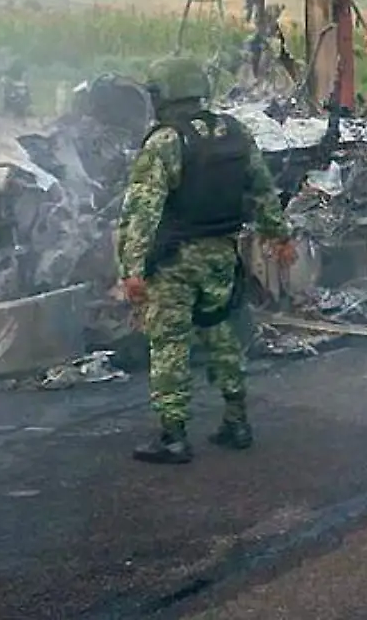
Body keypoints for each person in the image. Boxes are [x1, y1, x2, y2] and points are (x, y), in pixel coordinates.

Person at [117, 56, 290, 465]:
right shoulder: (234, 132)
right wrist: (279, 236)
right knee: (222, 336)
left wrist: (132, 269)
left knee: (170, 343)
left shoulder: (165, 142)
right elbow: (263, 190)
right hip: (223, 254)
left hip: (175, 261)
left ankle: (173, 435)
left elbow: (141, 211)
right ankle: (237, 422)